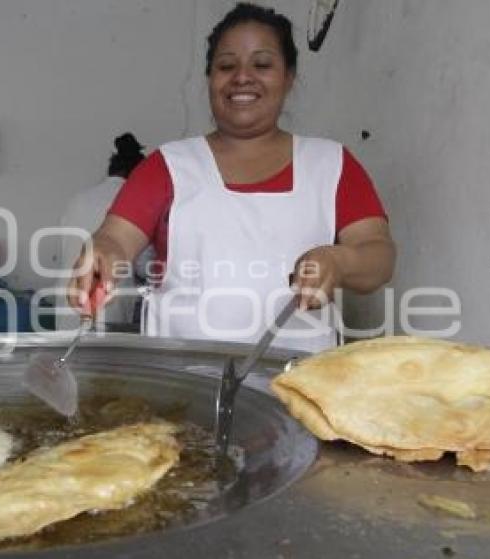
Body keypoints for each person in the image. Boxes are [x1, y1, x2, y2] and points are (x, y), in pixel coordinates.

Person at [68, 3, 395, 352]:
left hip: (298, 389)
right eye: (226, 66)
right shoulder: (169, 166)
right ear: (210, 77)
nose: (242, 76)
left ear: (289, 77)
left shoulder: (331, 165)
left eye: (262, 64)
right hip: (185, 386)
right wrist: (102, 253)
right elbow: (116, 239)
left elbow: (378, 256)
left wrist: (341, 261)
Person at [57, 133, 149, 330]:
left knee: (69, 357)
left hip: (68, 301)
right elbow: (144, 265)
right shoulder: (135, 202)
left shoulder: (78, 200)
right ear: (138, 174)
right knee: (106, 359)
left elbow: (67, 248)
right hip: (109, 306)